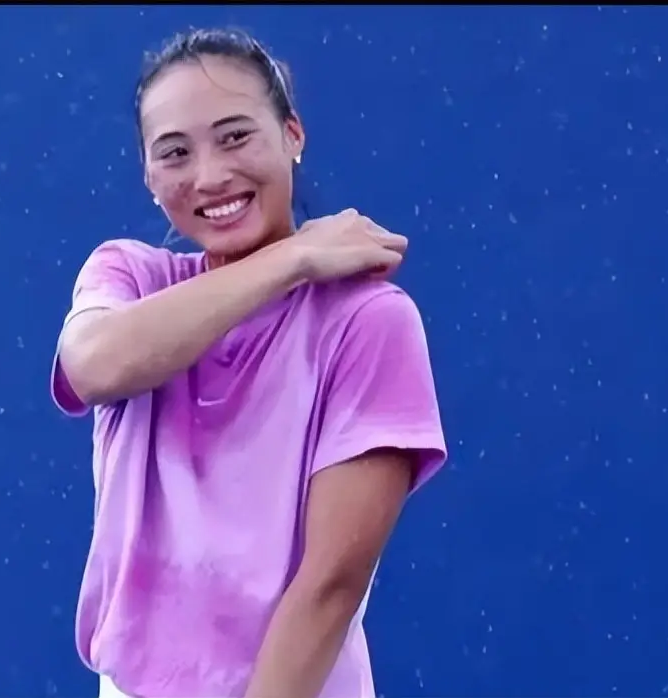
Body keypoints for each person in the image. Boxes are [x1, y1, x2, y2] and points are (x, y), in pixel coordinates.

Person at [49, 27, 448, 698]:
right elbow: (94, 367)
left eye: (235, 137)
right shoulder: (128, 276)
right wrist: (294, 257)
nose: (210, 176)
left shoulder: (369, 321)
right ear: (149, 176)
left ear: (293, 134)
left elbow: (331, 584)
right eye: (175, 153)